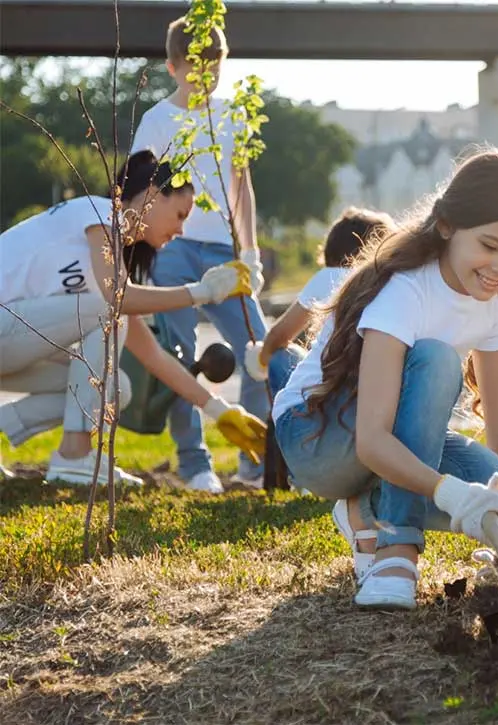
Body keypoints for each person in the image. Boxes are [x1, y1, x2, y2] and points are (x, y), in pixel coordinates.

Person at [271, 148, 498, 609]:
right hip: (317, 436)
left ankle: (362, 509)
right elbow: (372, 440)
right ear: (447, 226)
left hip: (386, 438)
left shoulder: (492, 305)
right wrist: (451, 494)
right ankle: (395, 550)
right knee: (436, 358)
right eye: (490, 246)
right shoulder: (405, 289)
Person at [0, 150, 267, 486]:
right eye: (180, 214)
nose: (181, 230)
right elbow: (117, 299)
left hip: (10, 344)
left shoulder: (110, 271)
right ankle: (75, 457)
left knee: (115, 388)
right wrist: (203, 292)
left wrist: (219, 410)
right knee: (109, 312)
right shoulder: (97, 211)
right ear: (154, 194)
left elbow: (154, 356)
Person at [130, 15, 269, 494]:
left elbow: (242, 186)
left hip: (224, 251)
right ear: (172, 66)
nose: (205, 73)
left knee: (259, 352)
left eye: (214, 63)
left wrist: (249, 254)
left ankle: (255, 463)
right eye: (194, 65)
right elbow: (139, 192)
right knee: (180, 355)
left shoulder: (234, 114)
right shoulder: (157, 121)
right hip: (172, 249)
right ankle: (195, 464)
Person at [243, 206, 397, 398]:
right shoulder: (391, 283)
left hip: (328, 391)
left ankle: (281, 423)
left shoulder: (330, 277)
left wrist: (260, 360)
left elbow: (279, 335)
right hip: (376, 391)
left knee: (281, 356)